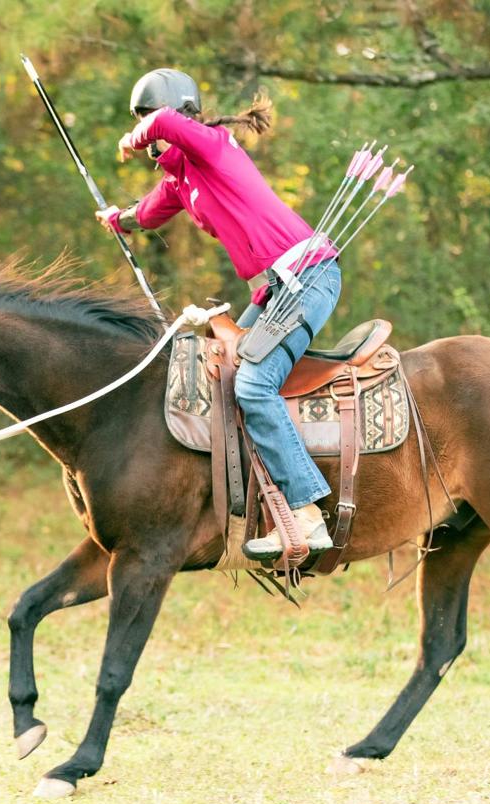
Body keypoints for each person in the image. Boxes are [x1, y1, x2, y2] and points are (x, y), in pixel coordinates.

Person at [95, 68, 339, 560]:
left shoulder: (212, 146)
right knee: (220, 375)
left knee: (253, 385)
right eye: (142, 128)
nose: (147, 142)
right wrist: (116, 219)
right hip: (272, 293)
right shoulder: (182, 181)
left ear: (176, 117)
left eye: (147, 124)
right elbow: (147, 213)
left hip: (307, 277)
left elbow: (163, 122)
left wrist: (135, 133)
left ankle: (308, 513)